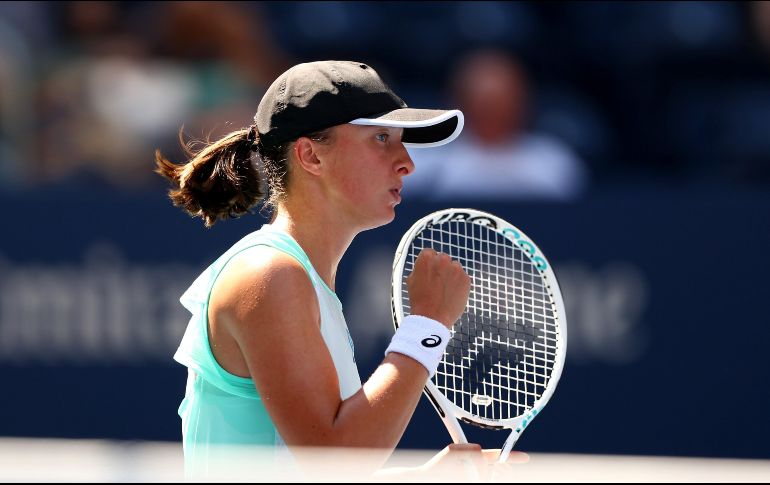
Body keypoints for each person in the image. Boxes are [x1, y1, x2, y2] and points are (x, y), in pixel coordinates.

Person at [155, 60, 525, 478]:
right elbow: (332, 459)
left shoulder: (298, 279)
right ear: (311, 155)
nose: (407, 163)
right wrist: (428, 323)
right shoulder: (270, 273)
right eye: (381, 138)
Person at [407, 49, 589, 201]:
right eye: (485, 104)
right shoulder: (427, 168)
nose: (496, 113)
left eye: (505, 102)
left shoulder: (555, 163)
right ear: (459, 103)